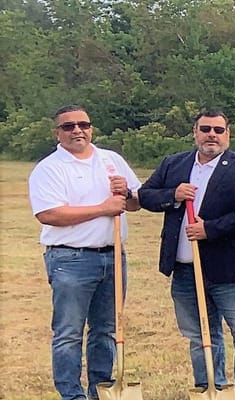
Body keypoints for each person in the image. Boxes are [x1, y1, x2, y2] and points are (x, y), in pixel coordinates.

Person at [137, 109, 235, 400]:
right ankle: (210, 385)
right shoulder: (173, 164)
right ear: (195, 132)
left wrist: (210, 229)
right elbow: (145, 195)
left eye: (218, 130)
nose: (212, 135)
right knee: (199, 334)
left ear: (227, 135)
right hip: (185, 268)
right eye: (206, 129)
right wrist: (173, 194)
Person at [31, 105, 142, 400]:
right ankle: (71, 394)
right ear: (57, 133)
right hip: (71, 260)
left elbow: (134, 203)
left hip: (114, 255)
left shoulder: (111, 160)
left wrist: (127, 194)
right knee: (69, 333)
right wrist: (102, 209)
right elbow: (49, 214)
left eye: (83, 124)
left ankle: (100, 390)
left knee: (106, 330)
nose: (77, 130)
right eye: (68, 126)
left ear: (91, 128)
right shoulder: (50, 168)